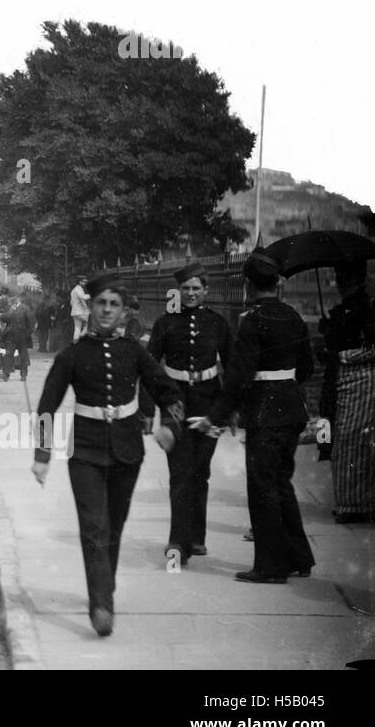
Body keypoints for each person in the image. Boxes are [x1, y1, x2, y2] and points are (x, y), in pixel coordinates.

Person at [32, 276, 183, 637]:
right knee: (94, 528)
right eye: (101, 303)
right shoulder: (72, 354)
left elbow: (169, 391)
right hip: (83, 451)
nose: (106, 311)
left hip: (127, 451)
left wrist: (170, 427)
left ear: (123, 310)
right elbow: (46, 407)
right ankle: (101, 605)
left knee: (114, 528)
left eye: (114, 305)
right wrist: (41, 455)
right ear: (91, 306)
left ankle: (104, 589)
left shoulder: (134, 351)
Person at [189, 251, 316, 582]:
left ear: (247, 285)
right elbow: (307, 368)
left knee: (263, 488)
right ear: (276, 284)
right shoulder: (294, 317)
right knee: (282, 483)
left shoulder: (252, 321)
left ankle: (271, 566)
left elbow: (237, 377)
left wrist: (214, 416)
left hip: (263, 414)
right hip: (291, 410)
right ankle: (299, 557)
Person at [146, 262, 231, 563]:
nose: (191, 293)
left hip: (208, 401)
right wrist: (148, 411)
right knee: (180, 473)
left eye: (196, 288)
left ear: (206, 291)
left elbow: (232, 369)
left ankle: (197, 537)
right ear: (178, 291)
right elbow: (149, 368)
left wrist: (227, 411)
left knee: (201, 471)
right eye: (186, 288)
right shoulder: (165, 323)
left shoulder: (218, 323)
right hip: (175, 403)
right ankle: (178, 542)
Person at [318, 259, 375, 524]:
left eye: (347, 277)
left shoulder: (367, 308)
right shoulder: (344, 309)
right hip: (337, 378)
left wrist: (341, 354)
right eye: (340, 276)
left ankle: (355, 503)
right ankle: (348, 500)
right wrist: (328, 329)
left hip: (358, 380)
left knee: (352, 440)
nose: (341, 282)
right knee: (334, 435)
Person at [0, 293, 35, 381]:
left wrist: (26, 335)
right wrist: (3, 314)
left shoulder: (25, 309)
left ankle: (23, 375)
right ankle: (6, 374)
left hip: (22, 335)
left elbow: (31, 324)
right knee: (8, 354)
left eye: (14, 298)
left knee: (23, 356)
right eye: (11, 298)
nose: (12, 300)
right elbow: (4, 318)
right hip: (11, 335)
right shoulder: (10, 308)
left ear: (18, 299)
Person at [70, 275, 91, 342]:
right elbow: (83, 297)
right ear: (79, 282)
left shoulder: (74, 290)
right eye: (84, 282)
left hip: (75, 312)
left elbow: (71, 302)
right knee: (91, 323)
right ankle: (81, 338)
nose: (85, 283)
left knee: (77, 328)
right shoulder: (78, 289)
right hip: (80, 312)